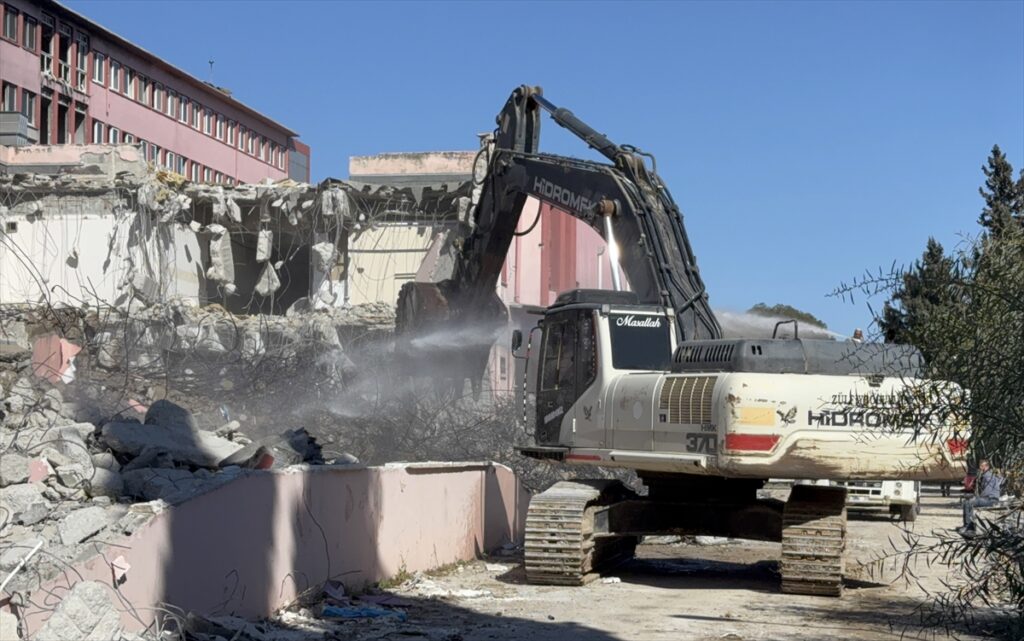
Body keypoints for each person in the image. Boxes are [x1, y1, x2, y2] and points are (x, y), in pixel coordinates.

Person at [957, 459, 1003, 537]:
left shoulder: (988, 476)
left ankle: (969, 527)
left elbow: (987, 492)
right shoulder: (986, 475)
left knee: (969, 502)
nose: (981, 468)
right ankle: (966, 525)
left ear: (987, 466)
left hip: (991, 499)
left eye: (982, 466)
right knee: (966, 502)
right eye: (980, 466)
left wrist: (976, 498)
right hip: (988, 498)